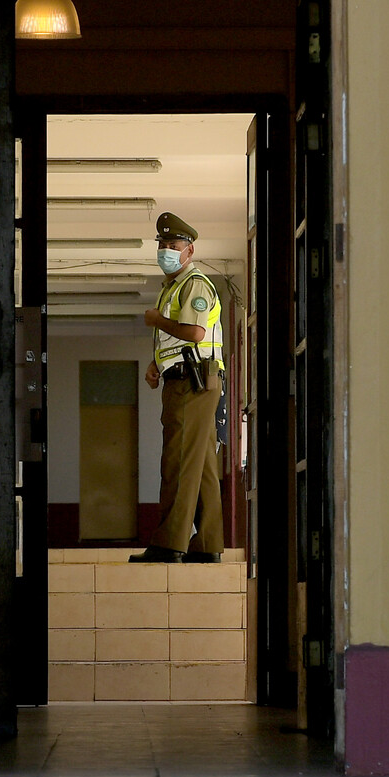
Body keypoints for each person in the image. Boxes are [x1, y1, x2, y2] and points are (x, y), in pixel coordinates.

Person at [130, 212, 225, 564]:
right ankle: (207, 543)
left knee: (177, 461)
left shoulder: (194, 284)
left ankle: (170, 542)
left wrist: (157, 320)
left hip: (193, 381)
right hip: (184, 376)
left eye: (173, 246)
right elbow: (179, 341)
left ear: (190, 250)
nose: (166, 251)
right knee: (200, 466)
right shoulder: (173, 286)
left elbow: (195, 334)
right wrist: (158, 365)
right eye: (163, 246)